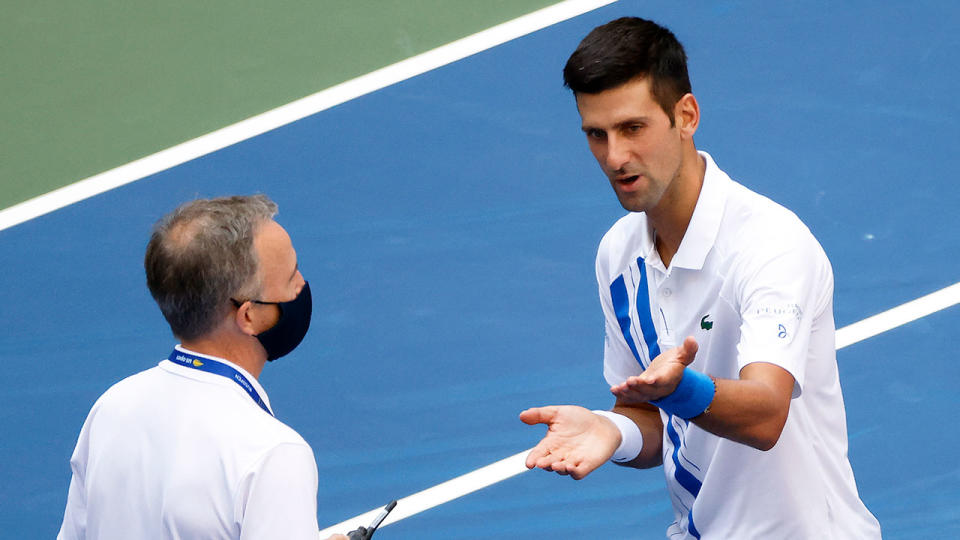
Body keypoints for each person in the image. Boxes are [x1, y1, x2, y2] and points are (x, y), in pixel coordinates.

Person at [520, 17, 882, 538]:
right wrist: (612, 429)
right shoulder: (617, 256)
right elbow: (649, 417)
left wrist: (678, 390)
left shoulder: (770, 245)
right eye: (596, 135)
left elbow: (765, 415)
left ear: (685, 115)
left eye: (633, 128)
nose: (614, 157)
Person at [58, 195, 348, 539]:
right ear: (249, 315)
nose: (302, 284)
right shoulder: (272, 454)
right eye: (290, 277)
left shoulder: (111, 408)